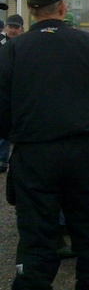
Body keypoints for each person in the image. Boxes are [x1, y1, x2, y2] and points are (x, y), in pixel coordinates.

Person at [0, 0, 89, 290]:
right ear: (62, 7)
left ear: (30, 10)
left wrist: (18, 136)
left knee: (36, 235)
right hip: (86, 150)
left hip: (34, 152)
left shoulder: (13, 50)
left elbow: (2, 108)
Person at [0, 13, 24, 174]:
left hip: (18, 91)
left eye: (16, 27)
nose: (13, 30)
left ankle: (7, 160)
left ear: (21, 29)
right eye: (11, 26)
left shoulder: (25, 45)